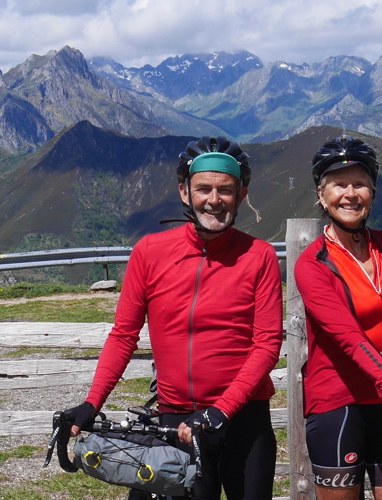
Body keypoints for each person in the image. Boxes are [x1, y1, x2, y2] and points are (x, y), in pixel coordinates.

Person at [58, 137, 284, 500]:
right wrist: (92, 402)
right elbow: (123, 335)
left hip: (243, 420)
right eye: (204, 188)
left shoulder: (259, 256)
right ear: (184, 192)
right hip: (175, 422)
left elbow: (267, 344)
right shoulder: (150, 252)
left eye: (225, 190)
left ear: (241, 196)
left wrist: (221, 410)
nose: (214, 199)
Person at [294, 137, 382, 500]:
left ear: (372, 191)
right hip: (337, 403)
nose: (350, 194)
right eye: (339, 185)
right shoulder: (312, 266)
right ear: (322, 195)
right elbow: (348, 337)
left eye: (359, 184)